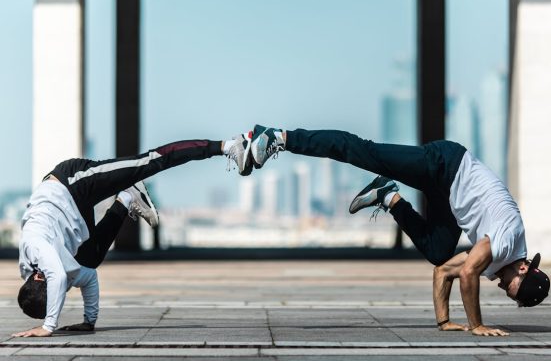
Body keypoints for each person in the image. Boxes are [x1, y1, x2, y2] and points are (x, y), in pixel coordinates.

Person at [244, 125, 550, 337]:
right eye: (510, 287)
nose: (502, 288)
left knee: (438, 252)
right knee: (362, 151)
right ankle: (280, 137)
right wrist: (477, 325)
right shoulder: (508, 242)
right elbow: (468, 273)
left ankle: (387, 195)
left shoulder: (502, 257)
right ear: (523, 268)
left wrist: (444, 322)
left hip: (450, 195)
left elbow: (445, 271)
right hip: (445, 165)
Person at [13, 134, 252, 338]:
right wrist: (88, 321)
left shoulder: (36, 245)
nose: (65, 287)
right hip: (73, 210)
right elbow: (88, 277)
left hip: (72, 182)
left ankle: (226, 146)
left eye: (61, 289)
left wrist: (48, 326)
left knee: (149, 162)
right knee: (90, 259)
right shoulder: (47, 272)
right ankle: (127, 197)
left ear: (38, 278)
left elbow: (56, 274)